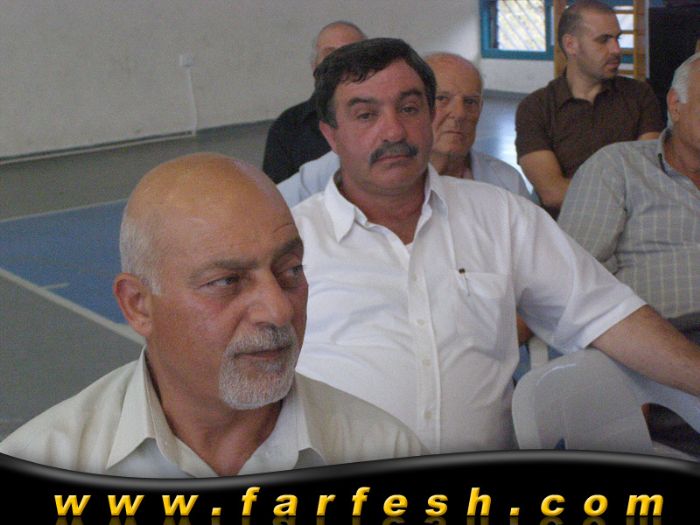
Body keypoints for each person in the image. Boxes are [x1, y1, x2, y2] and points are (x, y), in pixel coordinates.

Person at [290, 37, 700, 455]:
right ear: (331, 135)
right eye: (366, 115)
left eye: (409, 108)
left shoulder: (500, 216)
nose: (393, 130)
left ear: (428, 116)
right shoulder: (293, 244)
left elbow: (607, 314)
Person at [0, 153, 424, 476]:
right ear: (138, 305)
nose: (279, 310)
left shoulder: (383, 448)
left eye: (290, 271)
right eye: (227, 281)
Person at [558, 53, 700, 456]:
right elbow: (572, 282)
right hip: (659, 348)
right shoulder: (617, 168)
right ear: (675, 104)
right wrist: (623, 366)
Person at [277, 52, 533, 208]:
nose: (459, 114)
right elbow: (273, 207)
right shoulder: (343, 167)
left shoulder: (506, 182)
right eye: (442, 99)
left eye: (470, 102)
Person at [515, 0, 664, 218]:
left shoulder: (639, 95)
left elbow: (649, 174)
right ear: (571, 45)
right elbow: (552, 192)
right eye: (603, 40)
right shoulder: (535, 108)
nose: (616, 49)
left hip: (634, 224)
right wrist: (625, 195)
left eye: (617, 39)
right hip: (567, 226)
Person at [262, 21, 366, 183]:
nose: (339, 63)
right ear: (314, 66)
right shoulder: (288, 126)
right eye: (329, 54)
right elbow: (275, 194)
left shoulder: (387, 116)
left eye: (350, 54)